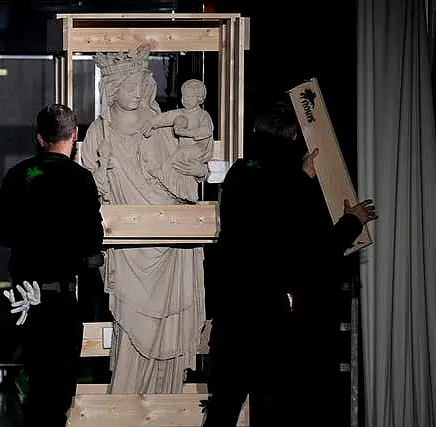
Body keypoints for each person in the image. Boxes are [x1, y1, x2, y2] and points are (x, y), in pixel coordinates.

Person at [202, 96, 377, 426]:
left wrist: (300, 176)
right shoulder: (290, 185)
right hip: (270, 320)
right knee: (275, 408)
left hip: (232, 315)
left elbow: (263, 207)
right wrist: (352, 221)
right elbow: (314, 252)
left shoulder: (240, 174)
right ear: (294, 137)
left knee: (223, 406)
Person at [79, 44, 208, 394]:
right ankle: (126, 394)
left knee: (167, 324)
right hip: (128, 246)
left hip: (166, 240)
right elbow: (87, 183)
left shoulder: (162, 128)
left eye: (141, 86)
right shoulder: (100, 133)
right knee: (131, 320)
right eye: (128, 87)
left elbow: (184, 178)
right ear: (111, 90)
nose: (136, 94)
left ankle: (162, 397)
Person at [0, 104, 104, 427]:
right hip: (61, 296)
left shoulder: (17, 176)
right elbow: (92, 240)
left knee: (35, 381)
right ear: (75, 135)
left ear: (40, 139)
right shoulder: (80, 179)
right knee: (57, 390)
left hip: (25, 298)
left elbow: (5, 235)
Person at [142, 78, 214, 202]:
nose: (185, 99)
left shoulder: (203, 115)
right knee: (181, 169)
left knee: (180, 161)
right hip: (185, 150)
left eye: (190, 97)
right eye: (184, 96)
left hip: (198, 149)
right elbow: (166, 118)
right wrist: (151, 123)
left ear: (200, 99)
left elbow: (206, 130)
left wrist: (188, 133)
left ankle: (163, 173)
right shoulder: (180, 114)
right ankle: (183, 192)